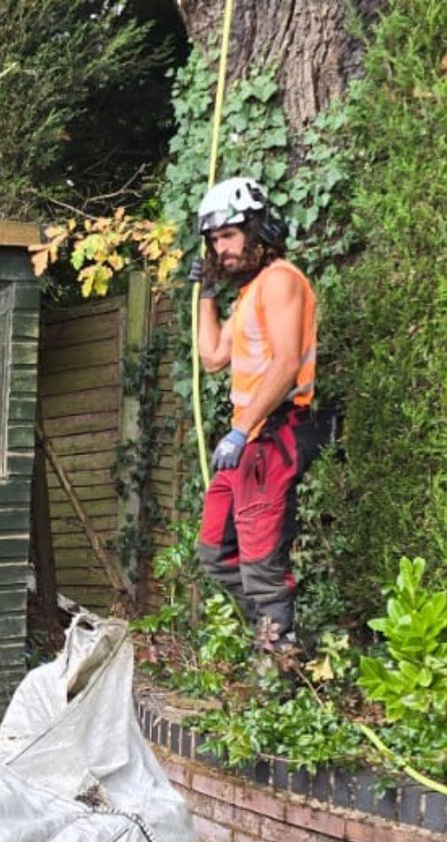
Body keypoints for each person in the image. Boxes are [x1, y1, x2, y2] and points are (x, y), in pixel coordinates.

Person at [190, 176, 325, 653]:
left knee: (263, 564)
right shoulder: (249, 294)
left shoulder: (282, 281)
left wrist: (242, 431)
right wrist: (206, 293)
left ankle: (279, 676)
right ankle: (274, 640)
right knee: (214, 553)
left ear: (257, 228)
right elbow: (211, 357)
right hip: (245, 437)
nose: (219, 248)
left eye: (227, 236)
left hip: (274, 431)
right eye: (212, 240)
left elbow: (287, 363)